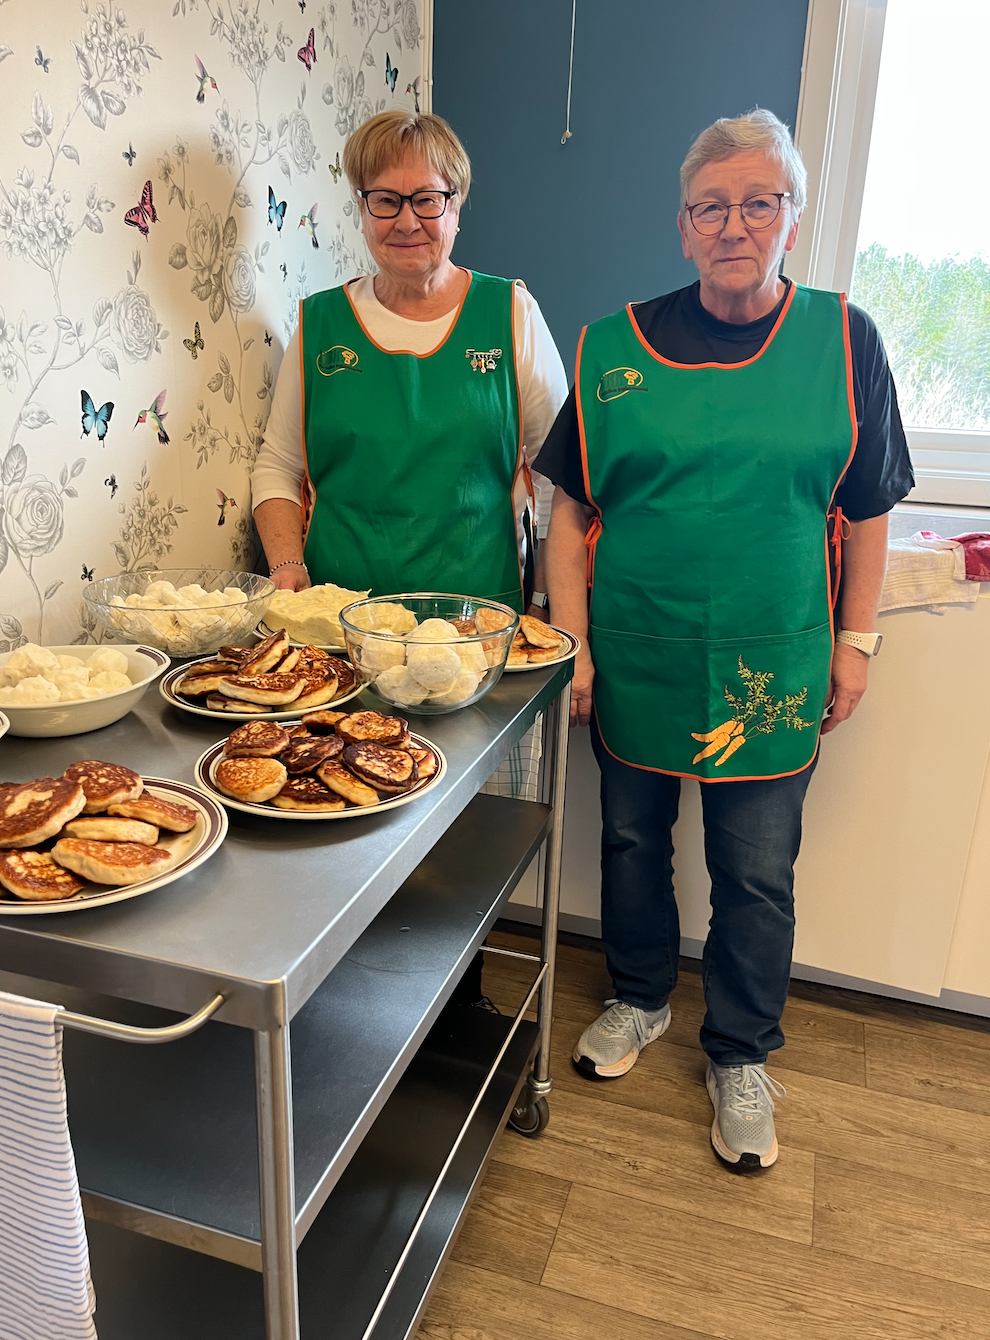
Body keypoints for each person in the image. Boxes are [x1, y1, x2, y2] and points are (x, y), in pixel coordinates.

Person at [541, 110, 913, 1172]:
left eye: (759, 202)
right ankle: (639, 994)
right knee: (630, 841)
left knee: (756, 872)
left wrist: (857, 642)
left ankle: (742, 1051)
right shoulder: (610, 347)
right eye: (711, 207)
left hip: (776, 660)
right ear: (683, 224)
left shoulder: (846, 342)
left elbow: (871, 507)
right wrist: (574, 643)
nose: (734, 224)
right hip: (637, 652)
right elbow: (569, 510)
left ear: (794, 216)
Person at [251, 110, 566, 616]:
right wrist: (288, 566)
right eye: (385, 200)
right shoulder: (319, 324)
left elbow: (556, 479)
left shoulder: (512, 314)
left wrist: (545, 603)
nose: (405, 221)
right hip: (337, 626)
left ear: (455, 207)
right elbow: (278, 466)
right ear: (362, 209)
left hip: (480, 625)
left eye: (426, 199)